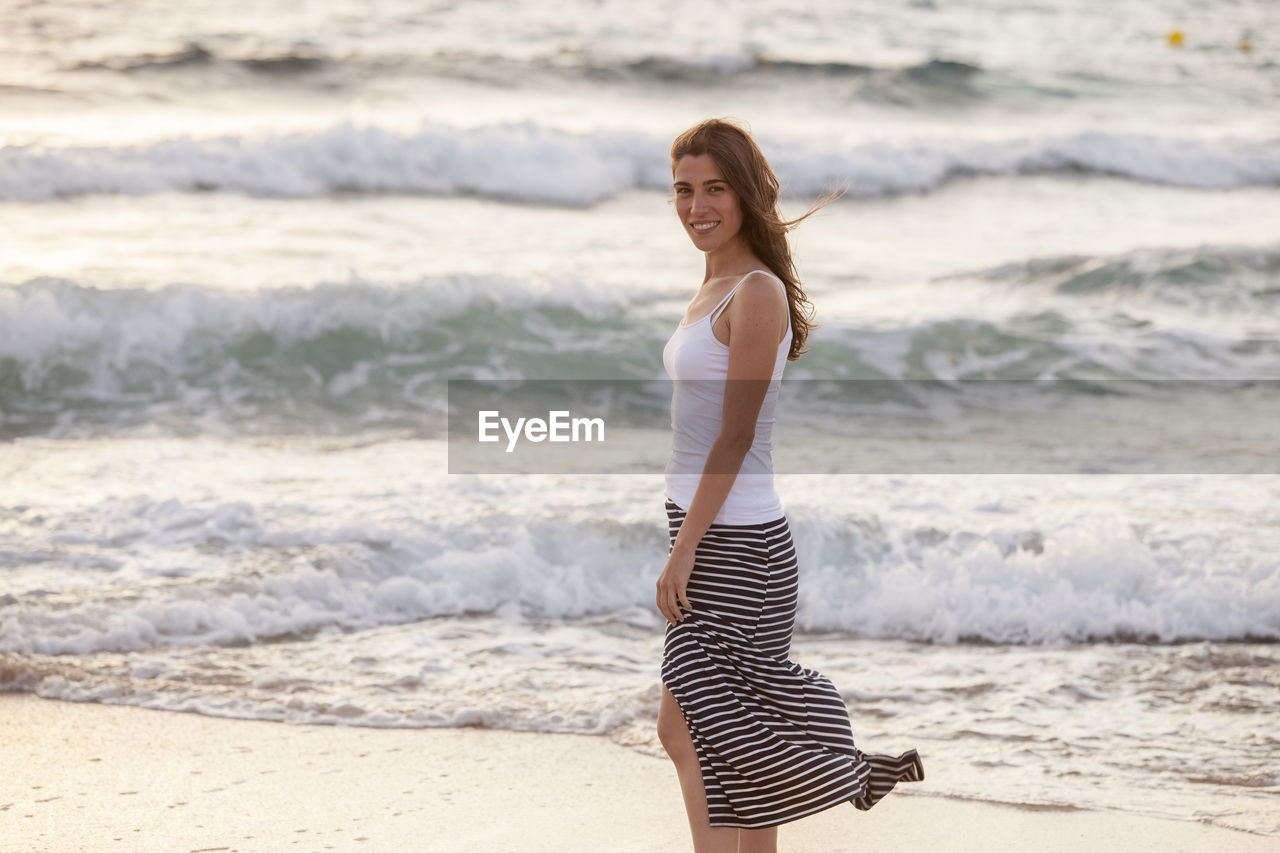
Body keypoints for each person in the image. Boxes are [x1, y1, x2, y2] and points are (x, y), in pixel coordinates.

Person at [655, 118, 923, 853]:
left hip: (737, 547)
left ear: (745, 193)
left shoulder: (757, 291)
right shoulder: (714, 283)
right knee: (729, 736)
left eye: (713, 188)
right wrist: (683, 539)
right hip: (711, 532)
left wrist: (684, 552)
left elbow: (735, 438)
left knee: (698, 729)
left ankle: (849, 772)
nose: (695, 205)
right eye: (682, 189)